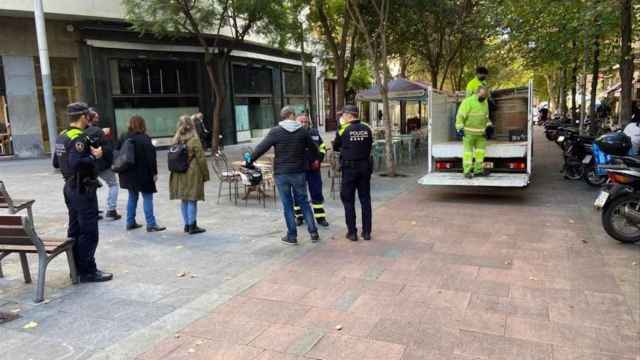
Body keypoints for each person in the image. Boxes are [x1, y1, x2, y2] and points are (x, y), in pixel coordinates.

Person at [52, 102, 113, 282]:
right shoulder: (79, 137)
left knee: (75, 228)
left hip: (69, 187)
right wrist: (94, 155)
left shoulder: (62, 136)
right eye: (88, 116)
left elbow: (57, 163)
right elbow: (76, 162)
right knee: (89, 230)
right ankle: (88, 270)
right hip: (82, 188)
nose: (90, 119)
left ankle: (76, 267)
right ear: (83, 117)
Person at [245, 106, 320, 245]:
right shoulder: (303, 131)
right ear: (291, 115)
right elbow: (314, 149)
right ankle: (313, 232)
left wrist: (249, 161)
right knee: (304, 201)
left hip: (282, 173)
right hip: (299, 172)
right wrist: (311, 160)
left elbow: (262, 147)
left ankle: (292, 236)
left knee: (287, 205)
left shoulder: (275, 131)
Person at [117, 115, 166, 232]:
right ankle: (151, 224)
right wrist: (154, 173)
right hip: (143, 174)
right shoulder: (144, 138)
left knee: (132, 197)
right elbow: (151, 158)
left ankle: (130, 222)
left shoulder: (124, 136)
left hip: (127, 173)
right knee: (147, 197)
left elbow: (117, 152)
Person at [333, 105, 373, 241]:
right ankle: (367, 232)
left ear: (349, 115)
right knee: (365, 200)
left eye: (343, 115)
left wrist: (340, 129)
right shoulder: (367, 128)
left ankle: (352, 232)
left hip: (349, 169)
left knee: (348, 200)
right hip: (365, 167)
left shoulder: (344, 129)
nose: (341, 117)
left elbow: (335, 146)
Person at [169, 115, 210, 234]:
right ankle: (193, 226)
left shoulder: (176, 139)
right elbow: (201, 159)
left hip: (178, 172)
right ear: (192, 126)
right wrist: (205, 175)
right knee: (192, 199)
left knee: (184, 199)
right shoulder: (194, 140)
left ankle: (187, 224)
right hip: (192, 172)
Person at [85, 108, 121, 221]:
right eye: (96, 117)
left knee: (92, 187)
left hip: (89, 164)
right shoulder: (98, 131)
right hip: (102, 164)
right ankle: (111, 210)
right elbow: (108, 148)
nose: (98, 118)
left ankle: (93, 211)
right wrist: (112, 162)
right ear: (90, 118)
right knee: (113, 184)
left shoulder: (81, 131)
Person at [293, 114, 329, 227]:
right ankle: (299, 217)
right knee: (298, 194)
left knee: (317, 192)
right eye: (301, 122)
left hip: (314, 169)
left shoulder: (314, 133)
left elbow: (322, 147)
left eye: (306, 122)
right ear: (296, 122)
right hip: (299, 169)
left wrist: (319, 159)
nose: (304, 124)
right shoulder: (292, 133)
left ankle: (320, 218)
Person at [456, 86, 493, 179]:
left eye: (486, 96)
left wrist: (489, 126)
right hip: (468, 134)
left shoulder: (485, 102)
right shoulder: (468, 102)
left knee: (480, 154)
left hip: (481, 134)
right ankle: (467, 172)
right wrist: (459, 128)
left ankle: (478, 171)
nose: (484, 97)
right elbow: (460, 116)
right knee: (468, 154)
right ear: (477, 93)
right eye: (482, 95)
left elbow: (486, 117)